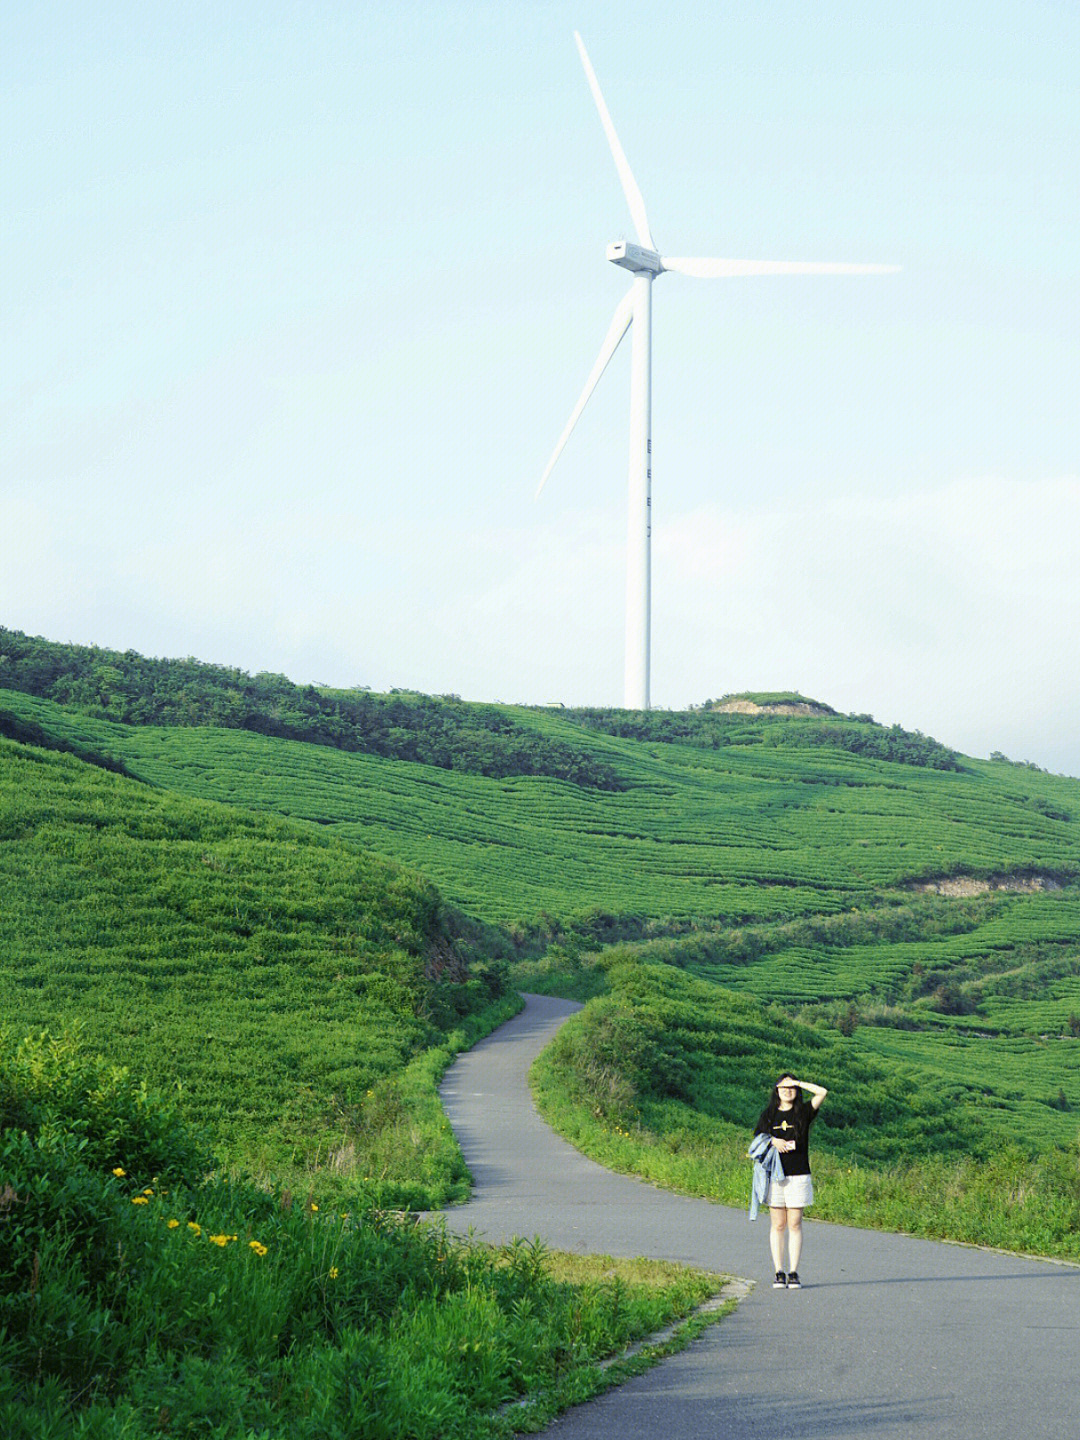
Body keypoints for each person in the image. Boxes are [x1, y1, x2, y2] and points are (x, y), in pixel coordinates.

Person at [753, 1073, 828, 1290]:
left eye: (791, 1087)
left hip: (798, 1175)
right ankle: (778, 1271)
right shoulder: (768, 1115)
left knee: (794, 1223)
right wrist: (773, 1141)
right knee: (778, 1224)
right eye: (783, 1087)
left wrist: (798, 1082)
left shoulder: (803, 1112)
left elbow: (822, 1092)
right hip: (775, 1176)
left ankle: (793, 1272)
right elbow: (757, 1140)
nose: (787, 1090)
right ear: (776, 1090)